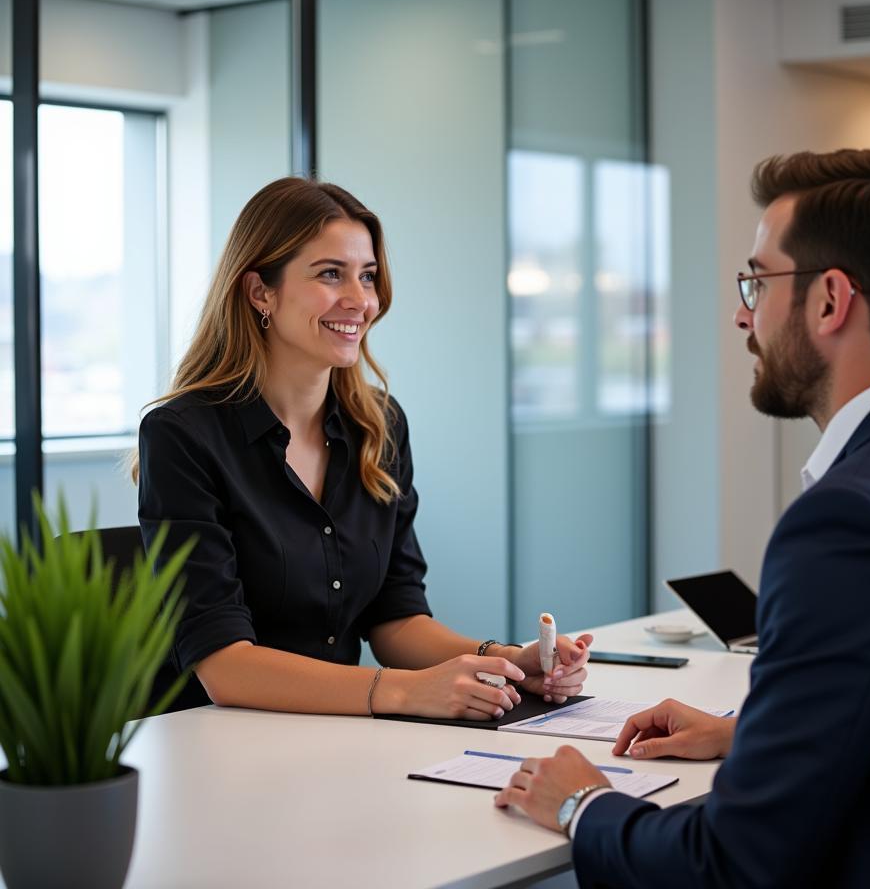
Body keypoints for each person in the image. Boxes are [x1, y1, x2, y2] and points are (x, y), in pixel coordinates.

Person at [494, 149, 870, 886]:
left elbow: (736, 866)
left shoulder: (850, 520)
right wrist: (751, 737)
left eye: (757, 281)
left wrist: (582, 803)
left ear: (830, 300)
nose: (743, 314)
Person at [136, 177, 590, 718]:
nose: (361, 300)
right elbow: (225, 665)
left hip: (343, 734)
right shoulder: (183, 434)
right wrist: (400, 691)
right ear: (261, 291)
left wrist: (507, 661)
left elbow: (396, 620)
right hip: (224, 744)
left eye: (368, 276)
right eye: (331, 274)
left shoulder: (379, 426)